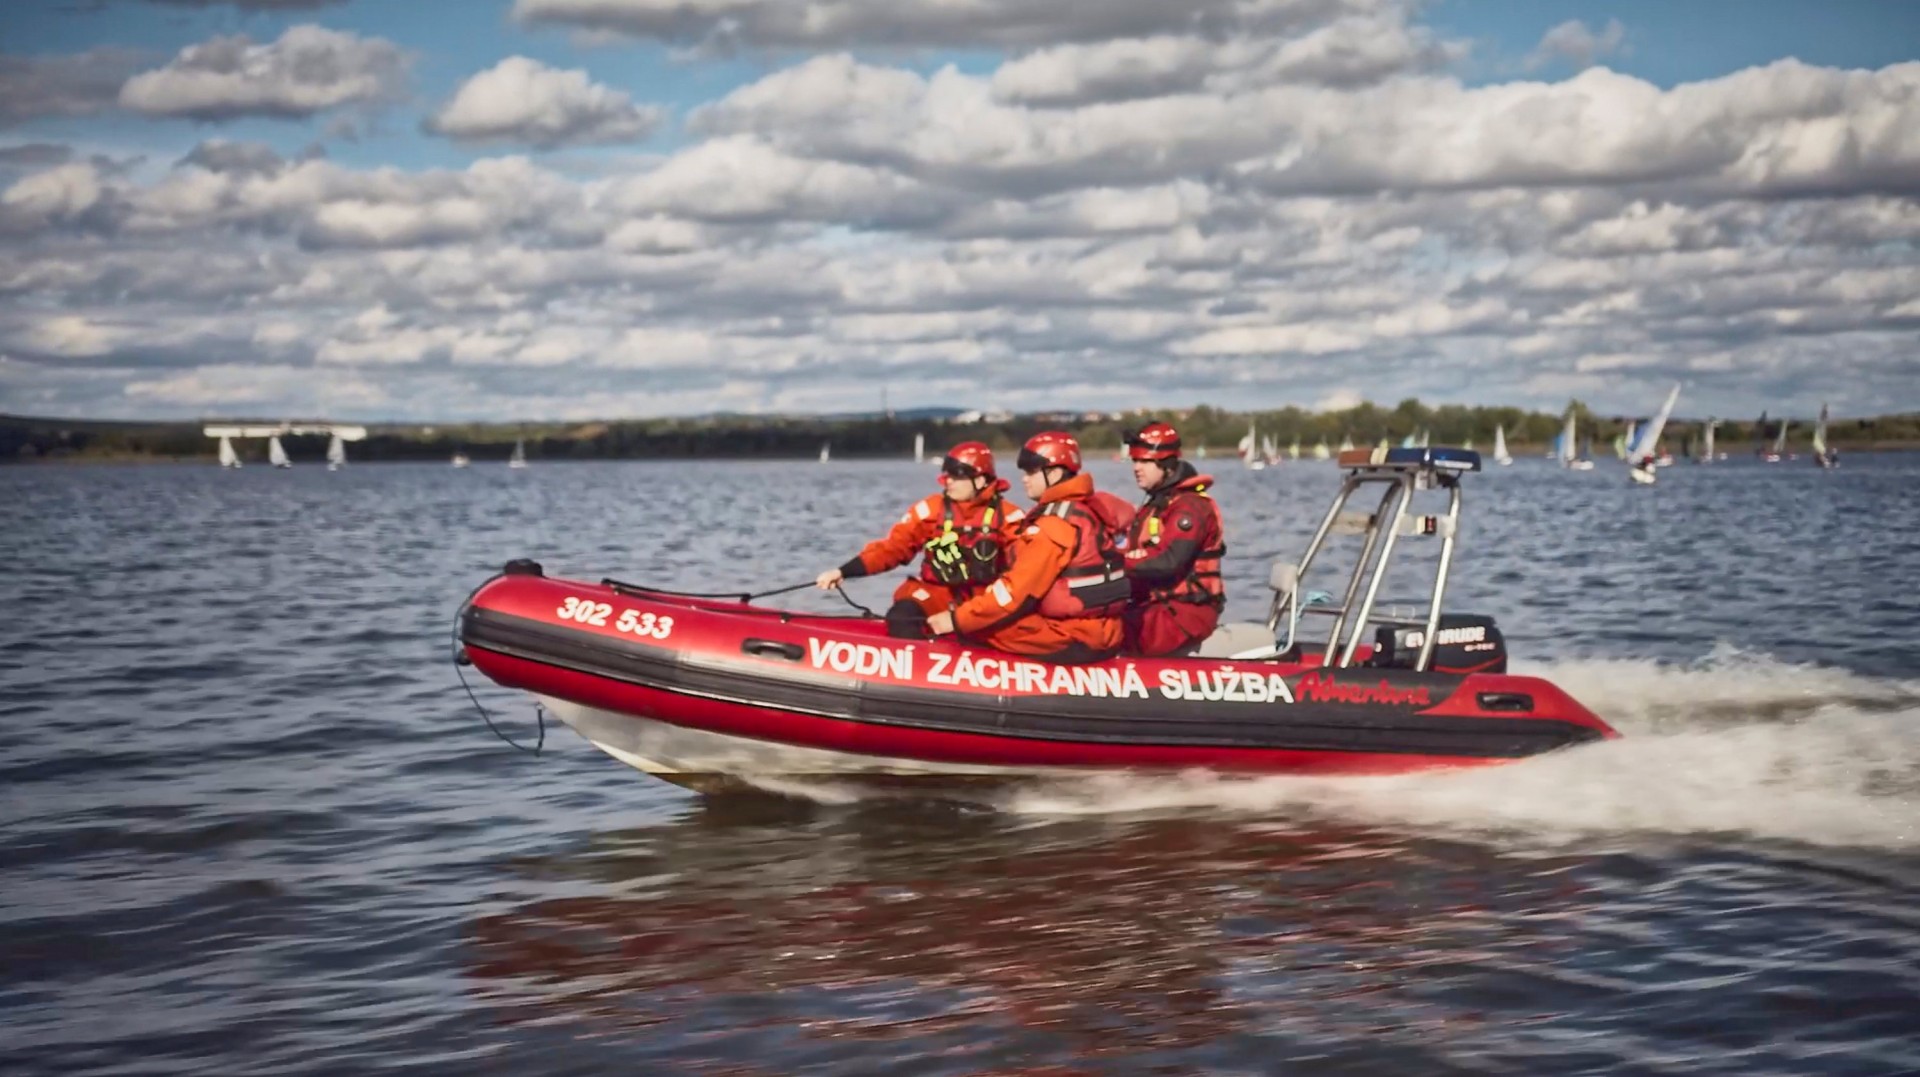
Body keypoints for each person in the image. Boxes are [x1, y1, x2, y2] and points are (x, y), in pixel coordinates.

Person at [925, 431, 1132, 662]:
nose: (1024, 479)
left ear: (1053, 474)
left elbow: (1013, 593)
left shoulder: (1053, 526)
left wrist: (955, 620)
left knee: (980, 626)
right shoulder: (1087, 509)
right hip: (1108, 630)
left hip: (1075, 636)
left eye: (1032, 472)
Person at [816, 441, 1026, 638]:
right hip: (937, 594)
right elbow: (892, 549)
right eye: (947, 474)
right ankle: (913, 663)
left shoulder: (1009, 517)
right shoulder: (931, 510)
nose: (948, 480)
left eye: (957, 475)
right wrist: (844, 571)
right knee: (902, 616)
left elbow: (1027, 570)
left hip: (984, 600)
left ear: (980, 480)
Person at [1119, 421, 1226, 657]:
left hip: (1186, 612)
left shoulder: (1190, 507)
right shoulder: (1157, 505)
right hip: (1158, 606)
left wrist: (1115, 564)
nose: (1137, 467)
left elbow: (1170, 562)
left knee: (1105, 634)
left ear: (1167, 465)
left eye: (1145, 462)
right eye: (1135, 461)